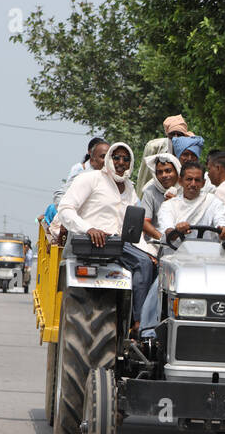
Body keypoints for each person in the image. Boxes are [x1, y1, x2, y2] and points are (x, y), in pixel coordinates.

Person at [52, 142, 162, 334]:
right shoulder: (90, 179)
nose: (121, 162)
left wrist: (150, 251)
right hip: (91, 245)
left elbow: (133, 228)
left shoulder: (129, 189)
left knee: (154, 264)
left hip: (119, 244)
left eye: (126, 159)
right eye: (116, 157)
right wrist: (88, 229)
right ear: (108, 159)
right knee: (143, 264)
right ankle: (140, 325)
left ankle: (140, 323)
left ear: (131, 163)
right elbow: (66, 210)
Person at [157, 162, 225, 241]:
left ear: (203, 183)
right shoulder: (168, 205)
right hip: (177, 252)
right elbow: (168, 232)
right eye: (189, 179)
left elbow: (221, 220)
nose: (193, 184)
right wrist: (177, 231)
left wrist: (224, 230)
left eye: (197, 180)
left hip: (208, 251)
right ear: (180, 181)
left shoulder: (213, 202)